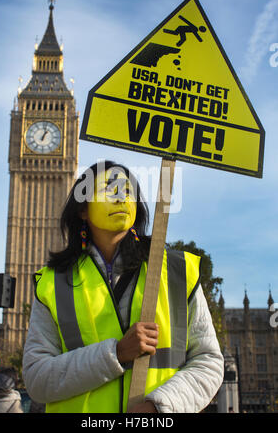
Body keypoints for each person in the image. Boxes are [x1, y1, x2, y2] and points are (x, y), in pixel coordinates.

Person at [22, 160, 224, 413]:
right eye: (108, 189)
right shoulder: (53, 283)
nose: (120, 198)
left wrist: (158, 406)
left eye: (128, 191)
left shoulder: (176, 270)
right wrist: (115, 354)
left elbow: (210, 362)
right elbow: (37, 379)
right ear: (82, 209)